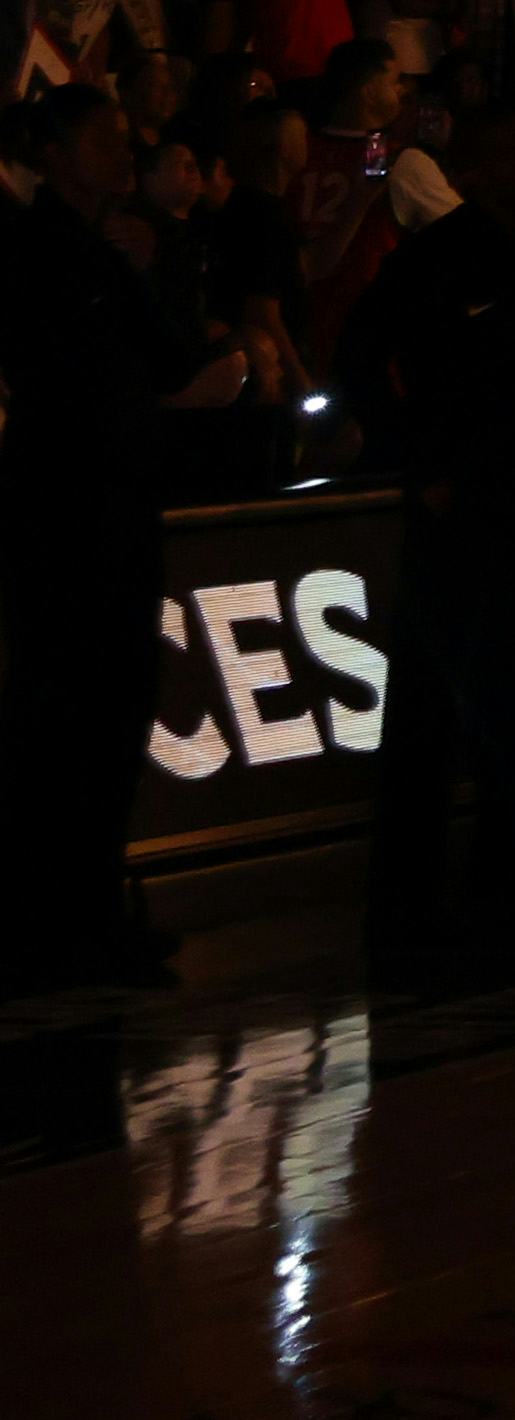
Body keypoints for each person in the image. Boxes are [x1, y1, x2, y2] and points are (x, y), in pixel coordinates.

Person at [345, 110, 515, 976]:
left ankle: (513, 879)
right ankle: (412, 901)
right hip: (465, 515)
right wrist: (421, 465)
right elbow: (358, 355)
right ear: (486, 167)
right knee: (439, 706)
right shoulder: (440, 257)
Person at [0, 114, 247, 985]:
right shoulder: (36, 250)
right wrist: (174, 407)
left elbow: (172, 354)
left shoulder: (102, 253)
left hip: (114, 509)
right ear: (55, 153)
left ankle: (91, 910)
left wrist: (148, 273)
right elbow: (77, 397)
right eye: (99, 139)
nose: (121, 153)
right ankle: (55, 922)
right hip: (65, 516)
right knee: (68, 715)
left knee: (109, 714)